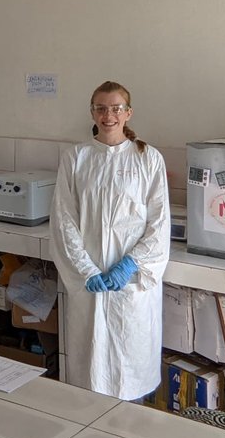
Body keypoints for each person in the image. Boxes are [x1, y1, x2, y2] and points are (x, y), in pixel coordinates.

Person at [49, 81, 170, 401]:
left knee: (131, 372)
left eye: (116, 108)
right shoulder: (76, 157)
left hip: (131, 286)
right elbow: (64, 221)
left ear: (128, 113)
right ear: (92, 112)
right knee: (91, 371)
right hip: (90, 285)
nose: (108, 115)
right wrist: (87, 271)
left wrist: (131, 263)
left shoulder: (148, 158)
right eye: (101, 108)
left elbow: (159, 224)